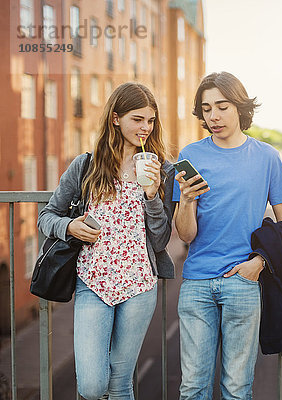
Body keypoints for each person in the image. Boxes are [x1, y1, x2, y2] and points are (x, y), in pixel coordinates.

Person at [38, 82, 175, 399]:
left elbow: (160, 239)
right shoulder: (86, 166)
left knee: (120, 382)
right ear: (116, 118)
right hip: (93, 282)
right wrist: (71, 226)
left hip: (139, 284)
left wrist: (153, 196)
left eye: (150, 120)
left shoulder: (160, 169)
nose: (145, 128)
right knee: (92, 385)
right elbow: (47, 217)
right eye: (137, 119)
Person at [173, 71, 282, 399]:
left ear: (240, 107)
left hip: (243, 281)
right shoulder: (191, 156)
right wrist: (186, 201)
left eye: (222, 106)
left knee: (237, 389)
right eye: (207, 108)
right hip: (197, 282)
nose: (214, 116)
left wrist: (259, 263)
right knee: (192, 388)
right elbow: (185, 235)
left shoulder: (267, 157)